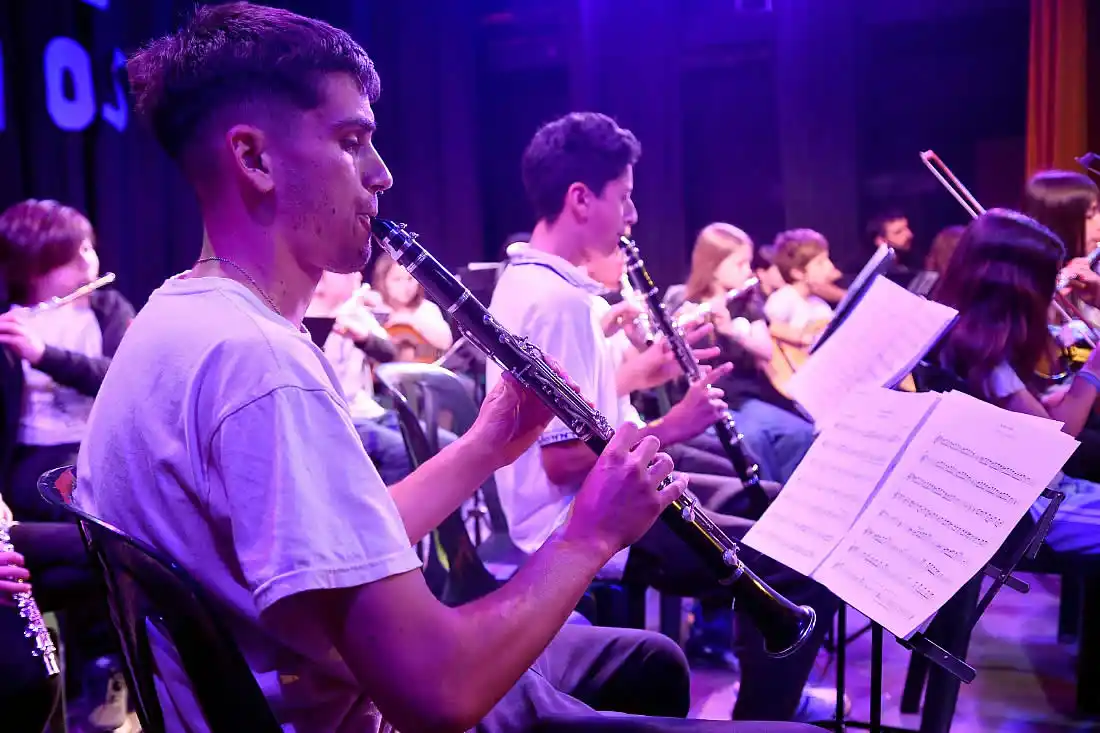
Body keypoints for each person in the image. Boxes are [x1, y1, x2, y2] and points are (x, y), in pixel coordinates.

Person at [74, 4, 818, 732]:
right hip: (371, 703)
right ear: (255, 158)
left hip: (318, 686)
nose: (382, 174)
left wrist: (487, 445)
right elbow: (438, 692)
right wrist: (589, 535)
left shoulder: (176, 323)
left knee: (648, 664)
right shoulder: (260, 364)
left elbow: (345, 538)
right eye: (352, 141)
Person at [487, 111, 839, 723]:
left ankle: (772, 680)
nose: (632, 215)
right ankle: (764, 717)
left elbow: (583, 415)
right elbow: (563, 459)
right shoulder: (556, 301)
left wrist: (641, 375)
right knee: (798, 566)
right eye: (623, 197)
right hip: (575, 518)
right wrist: (674, 424)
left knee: (784, 518)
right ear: (581, 199)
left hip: (599, 494)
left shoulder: (539, 285)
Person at [928, 209, 1100, 555]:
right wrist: (1094, 368)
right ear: (1020, 289)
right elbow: (1058, 439)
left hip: (1042, 495)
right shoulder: (986, 363)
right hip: (1035, 511)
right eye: (1047, 280)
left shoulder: (962, 337)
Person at [0, 200, 135, 524]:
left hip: (101, 450)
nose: (87, 261)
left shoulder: (108, 309)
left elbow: (119, 379)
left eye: (87, 248)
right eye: (70, 255)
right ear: (32, 267)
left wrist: (43, 355)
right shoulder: (11, 322)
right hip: (36, 458)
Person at [763, 229, 839, 350]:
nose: (830, 266)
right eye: (820, 263)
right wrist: (801, 338)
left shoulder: (819, 304)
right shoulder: (785, 297)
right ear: (798, 272)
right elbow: (766, 326)